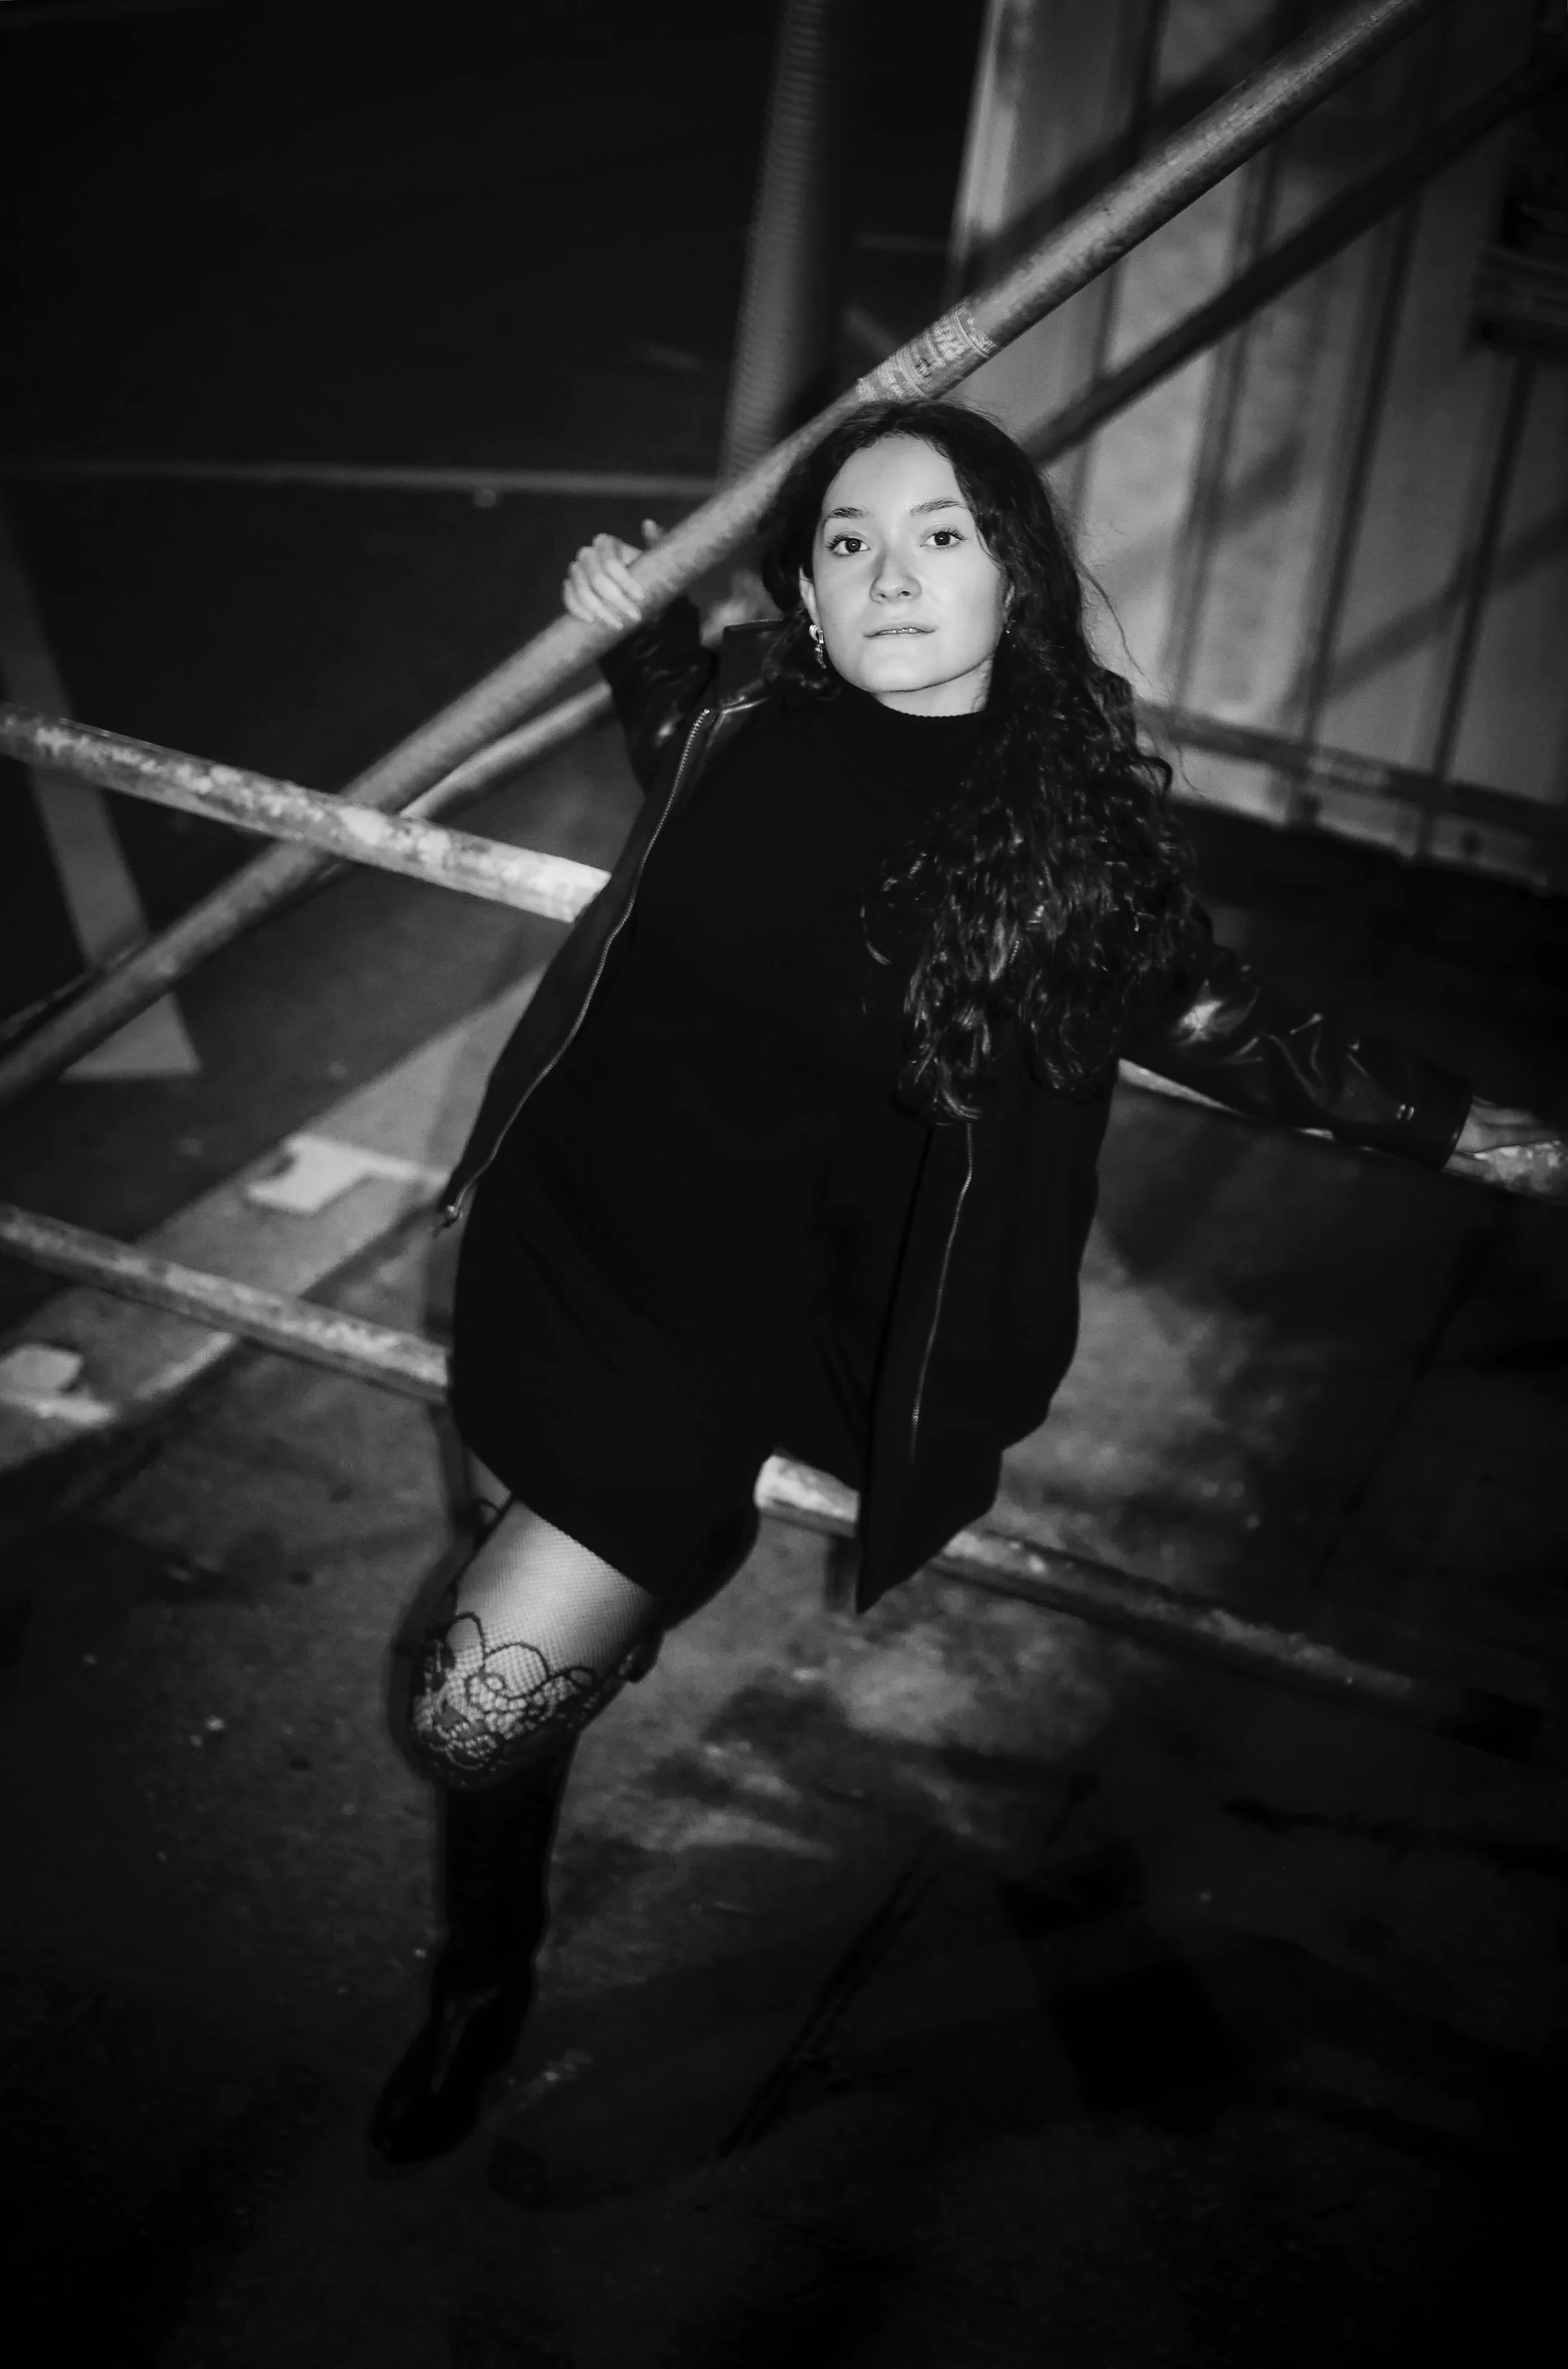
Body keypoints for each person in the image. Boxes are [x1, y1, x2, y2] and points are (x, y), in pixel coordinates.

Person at [368, 399, 1546, 2163]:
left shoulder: (1067, 839)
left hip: (731, 1338)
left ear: (1014, 571)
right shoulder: (755, 704)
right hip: (563, 1238)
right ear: (809, 597)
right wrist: (646, 638)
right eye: (845, 542)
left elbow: (1241, 1030)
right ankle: (482, 1966)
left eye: (936, 533)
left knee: (468, 1708)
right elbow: (677, 750)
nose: (887, 571)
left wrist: (1501, 1141)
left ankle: (588, 1689)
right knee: (505, 1597)